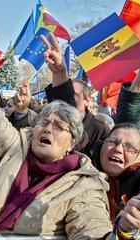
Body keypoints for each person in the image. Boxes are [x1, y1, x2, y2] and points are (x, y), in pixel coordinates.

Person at [0, 3, 140, 239]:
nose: (48, 127)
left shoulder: (84, 184)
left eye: (59, 126)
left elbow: (91, 231)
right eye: (43, 121)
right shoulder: (16, 148)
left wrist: (124, 230)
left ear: (73, 142)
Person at [41, 34, 110, 168]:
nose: (68, 98)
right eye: (67, 93)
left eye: (73, 95)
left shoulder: (101, 130)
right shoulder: (46, 122)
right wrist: (59, 74)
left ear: (87, 101)